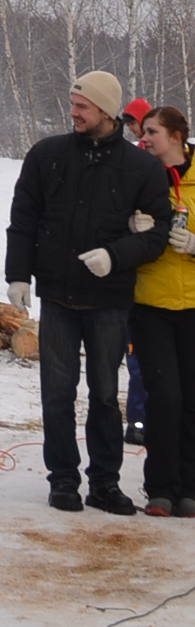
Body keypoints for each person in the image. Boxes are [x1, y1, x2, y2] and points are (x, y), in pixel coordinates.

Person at [5, 69, 171, 514]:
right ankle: (62, 478)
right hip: (58, 296)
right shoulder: (47, 155)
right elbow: (23, 218)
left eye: (82, 106)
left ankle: (105, 482)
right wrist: (18, 275)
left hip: (110, 301)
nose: (73, 112)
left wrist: (116, 255)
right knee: (57, 393)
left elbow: (158, 232)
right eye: (72, 104)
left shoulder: (141, 168)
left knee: (104, 394)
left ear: (106, 110)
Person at [129, 106, 195, 516]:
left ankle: (189, 487)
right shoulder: (141, 175)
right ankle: (160, 487)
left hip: (193, 304)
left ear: (176, 136)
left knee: (191, 397)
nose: (145, 138)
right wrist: (133, 231)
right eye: (144, 131)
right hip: (150, 303)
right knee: (165, 397)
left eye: (152, 131)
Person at [122, 97, 153, 445]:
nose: (133, 129)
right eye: (130, 124)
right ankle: (138, 421)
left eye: (135, 122)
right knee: (137, 355)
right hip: (136, 275)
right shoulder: (132, 161)